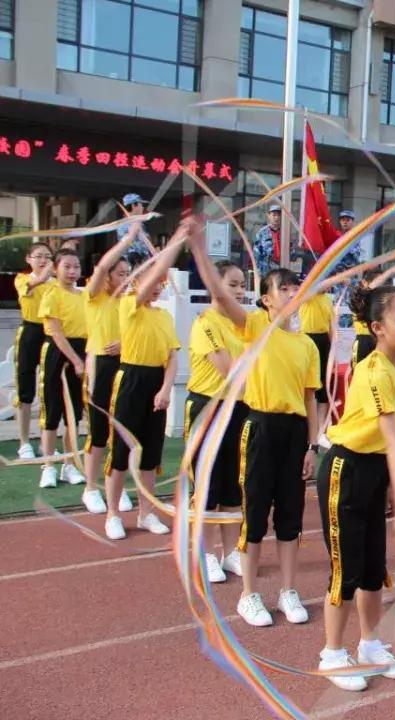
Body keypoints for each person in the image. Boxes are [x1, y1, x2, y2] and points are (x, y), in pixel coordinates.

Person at [190, 229, 321, 627]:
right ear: (266, 299)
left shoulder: (308, 346)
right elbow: (223, 296)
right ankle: (248, 595)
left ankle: (288, 590)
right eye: (284, 288)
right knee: (255, 510)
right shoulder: (253, 328)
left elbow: (311, 399)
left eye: (295, 287)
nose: (292, 293)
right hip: (260, 427)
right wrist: (198, 248)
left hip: (295, 433)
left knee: (291, 515)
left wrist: (312, 447)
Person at [314, 283, 395, 692]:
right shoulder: (374, 371)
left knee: (374, 569)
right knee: (347, 570)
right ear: (377, 327)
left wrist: (390, 488)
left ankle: (370, 645)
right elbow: (393, 438)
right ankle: (332, 653)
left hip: (373, 472)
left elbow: (392, 441)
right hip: (347, 471)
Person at [103, 223, 186, 540]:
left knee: (151, 453)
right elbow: (145, 282)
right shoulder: (128, 305)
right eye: (150, 281)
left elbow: (172, 357)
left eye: (161, 283)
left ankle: (146, 512)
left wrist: (166, 389)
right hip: (130, 379)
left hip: (156, 382)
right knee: (122, 451)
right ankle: (112, 512)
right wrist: (174, 243)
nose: (157, 287)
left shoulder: (164, 316)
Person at [184, 259, 250, 583]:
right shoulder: (206, 323)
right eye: (232, 284)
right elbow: (229, 370)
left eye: (242, 284)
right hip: (208, 410)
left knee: (233, 484)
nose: (239, 290)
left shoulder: (243, 324)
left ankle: (231, 552)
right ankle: (205, 554)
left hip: (238, 408)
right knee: (207, 483)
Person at [81, 227, 136, 515]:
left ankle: (115, 484)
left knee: (121, 429)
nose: (125, 279)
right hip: (101, 366)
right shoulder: (95, 297)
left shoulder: (129, 302)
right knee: (99, 431)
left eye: (128, 273)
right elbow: (102, 265)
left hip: (124, 367)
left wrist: (125, 343)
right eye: (120, 273)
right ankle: (91, 487)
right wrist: (128, 238)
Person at [36, 249, 88, 489]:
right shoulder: (51, 294)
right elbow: (56, 333)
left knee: (74, 414)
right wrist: (76, 361)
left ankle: (69, 464)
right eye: (66, 266)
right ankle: (48, 466)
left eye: (76, 266)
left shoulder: (85, 296)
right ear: (55, 269)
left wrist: (84, 359)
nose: (72, 271)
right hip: (58, 353)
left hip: (82, 350)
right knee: (52, 413)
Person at [12, 242, 55, 459]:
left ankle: (45, 442)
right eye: (38, 256)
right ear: (29, 259)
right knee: (25, 388)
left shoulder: (56, 284)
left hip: (51, 334)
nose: (43, 260)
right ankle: (24, 442)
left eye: (48, 256)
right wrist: (50, 270)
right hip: (30, 332)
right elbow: (35, 283)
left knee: (49, 389)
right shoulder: (23, 279)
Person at [299, 286, 337, 432]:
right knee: (306, 382)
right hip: (307, 339)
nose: (328, 286)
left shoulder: (328, 300)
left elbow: (330, 326)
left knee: (323, 384)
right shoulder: (308, 296)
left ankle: (321, 428)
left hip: (323, 341)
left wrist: (333, 348)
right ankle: (306, 424)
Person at [351, 266, 395, 368]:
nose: (378, 287)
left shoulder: (380, 299)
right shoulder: (359, 297)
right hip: (363, 342)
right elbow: (369, 289)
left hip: (379, 341)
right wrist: (390, 271)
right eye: (377, 282)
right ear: (364, 282)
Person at [116, 193, 153, 267]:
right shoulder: (124, 225)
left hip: (144, 267)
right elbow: (129, 247)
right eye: (141, 205)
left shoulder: (140, 224)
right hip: (133, 268)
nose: (142, 207)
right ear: (134, 205)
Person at [252, 205, 282, 279]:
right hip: (266, 269)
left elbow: (291, 251)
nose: (276, 217)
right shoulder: (262, 232)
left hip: (281, 268)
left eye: (279, 215)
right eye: (274, 215)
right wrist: (257, 271)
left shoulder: (285, 232)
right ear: (269, 216)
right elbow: (257, 253)